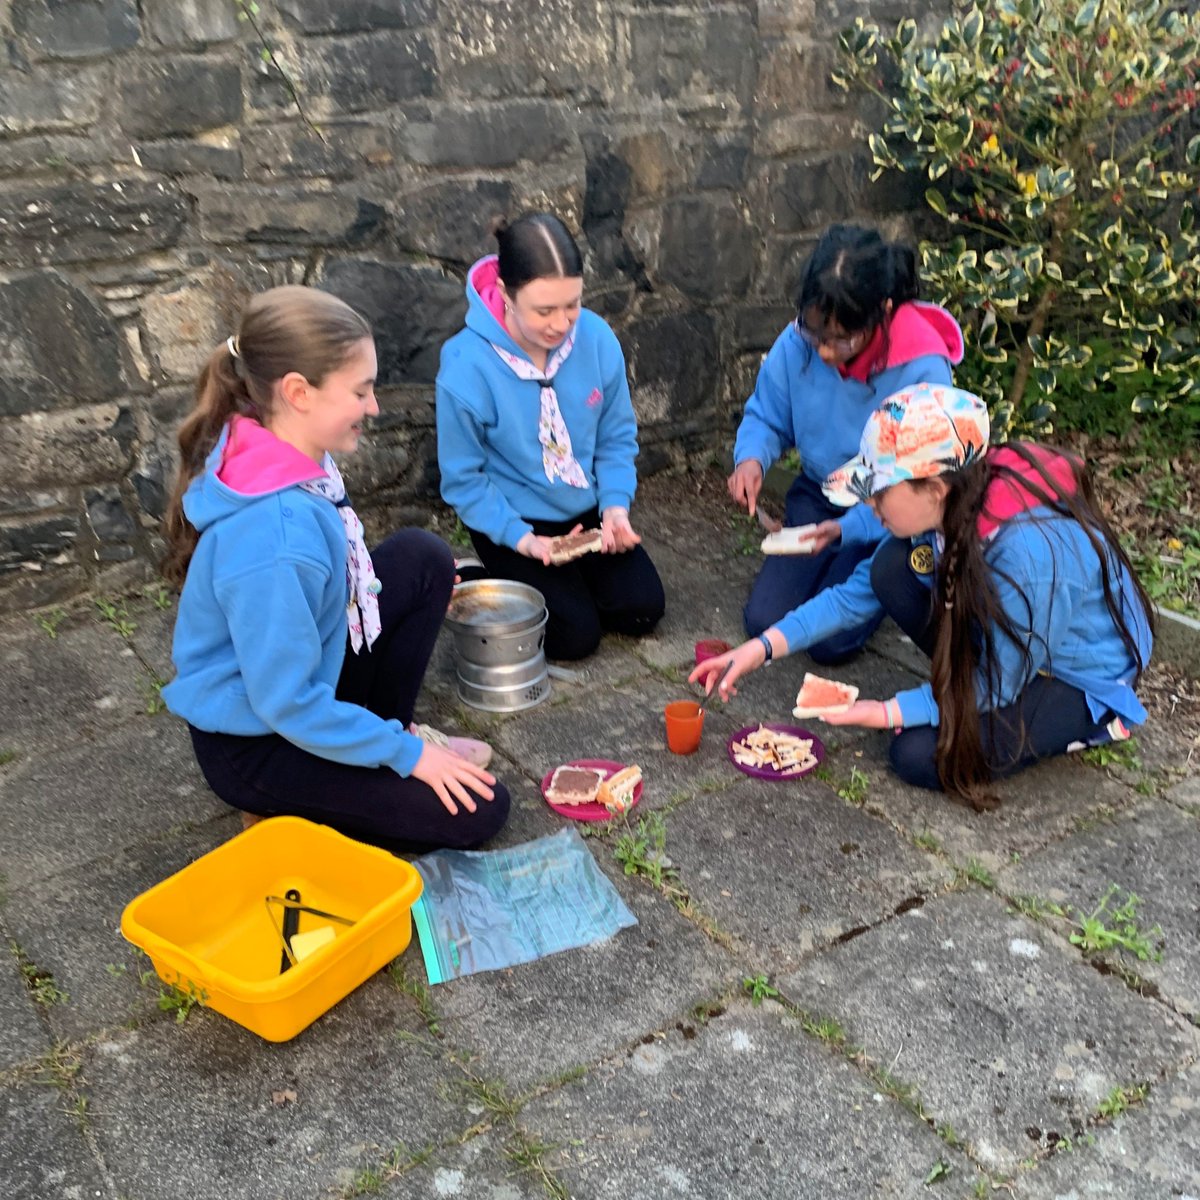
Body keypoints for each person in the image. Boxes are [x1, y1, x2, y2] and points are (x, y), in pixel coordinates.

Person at [161, 285, 510, 849]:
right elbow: (286, 702)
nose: (373, 406)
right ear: (298, 391)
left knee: (425, 558)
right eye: (361, 391)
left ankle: (374, 745)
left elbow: (328, 582)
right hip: (257, 740)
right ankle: (301, 798)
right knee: (483, 811)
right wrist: (411, 758)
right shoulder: (274, 537)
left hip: (295, 682)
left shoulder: (284, 448)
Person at [694, 383, 1154, 810]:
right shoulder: (949, 506)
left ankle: (1092, 724)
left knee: (915, 754)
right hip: (1012, 643)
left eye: (878, 495)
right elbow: (851, 598)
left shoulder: (1029, 557)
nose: (869, 507)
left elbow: (999, 683)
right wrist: (759, 649)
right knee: (890, 567)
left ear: (935, 488)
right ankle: (954, 684)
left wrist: (884, 711)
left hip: (1071, 677)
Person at [436, 212, 665, 661]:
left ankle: (567, 582)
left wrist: (616, 507)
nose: (562, 324)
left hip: (589, 514)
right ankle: (482, 570)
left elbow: (617, 435)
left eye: (573, 304)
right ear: (505, 294)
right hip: (515, 522)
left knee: (643, 609)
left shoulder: (596, 338)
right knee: (574, 638)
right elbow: (464, 480)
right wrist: (523, 539)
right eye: (544, 310)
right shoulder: (465, 366)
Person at [729, 223, 964, 659]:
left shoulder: (923, 366)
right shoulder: (799, 338)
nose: (824, 351)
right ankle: (839, 576)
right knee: (764, 620)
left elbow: (923, 487)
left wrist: (854, 528)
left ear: (883, 311)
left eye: (841, 339)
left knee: (831, 644)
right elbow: (767, 414)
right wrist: (752, 459)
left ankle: (886, 582)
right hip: (819, 494)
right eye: (816, 333)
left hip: (890, 510)